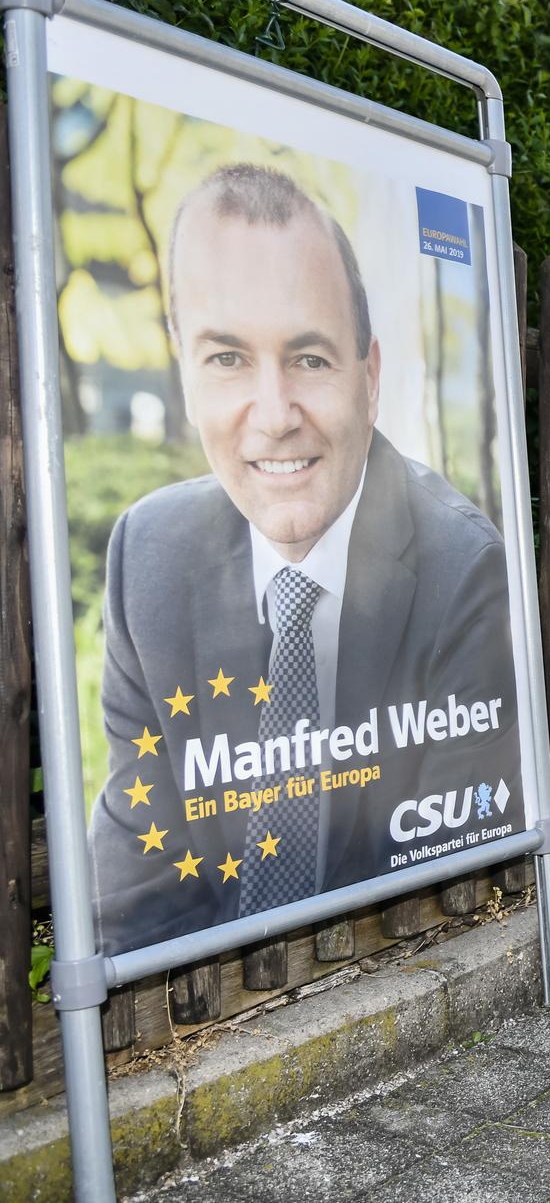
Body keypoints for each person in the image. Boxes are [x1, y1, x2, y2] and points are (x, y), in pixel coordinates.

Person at [87, 163, 519, 955]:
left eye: (310, 358)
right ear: (185, 372)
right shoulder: (145, 560)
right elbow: (135, 902)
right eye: (226, 358)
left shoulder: (462, 570)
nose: (275, 415)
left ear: (370, 376)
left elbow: (438, 898)